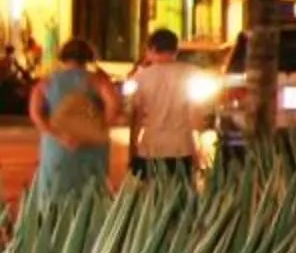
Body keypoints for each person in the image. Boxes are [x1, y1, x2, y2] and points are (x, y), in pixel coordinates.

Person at [27, 35, 122, 209]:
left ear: (63, 56)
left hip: (58, 144)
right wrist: (101, 125)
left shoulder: (47, 82)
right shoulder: (97, 80)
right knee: (91, 190)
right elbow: (113, 105)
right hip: (92, 144)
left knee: (55, 189)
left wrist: (56, 134)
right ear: (88, 57)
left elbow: (35, 114)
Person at [125, 26, 201, 184]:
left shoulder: (141, 77)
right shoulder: (191, 74)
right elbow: (196, 117)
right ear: (176, 50)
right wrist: (196, 151)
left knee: (152, 195)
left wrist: (132, 149)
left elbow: (136, 116)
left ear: (152, 48)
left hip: (151, 148)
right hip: (182, 147)